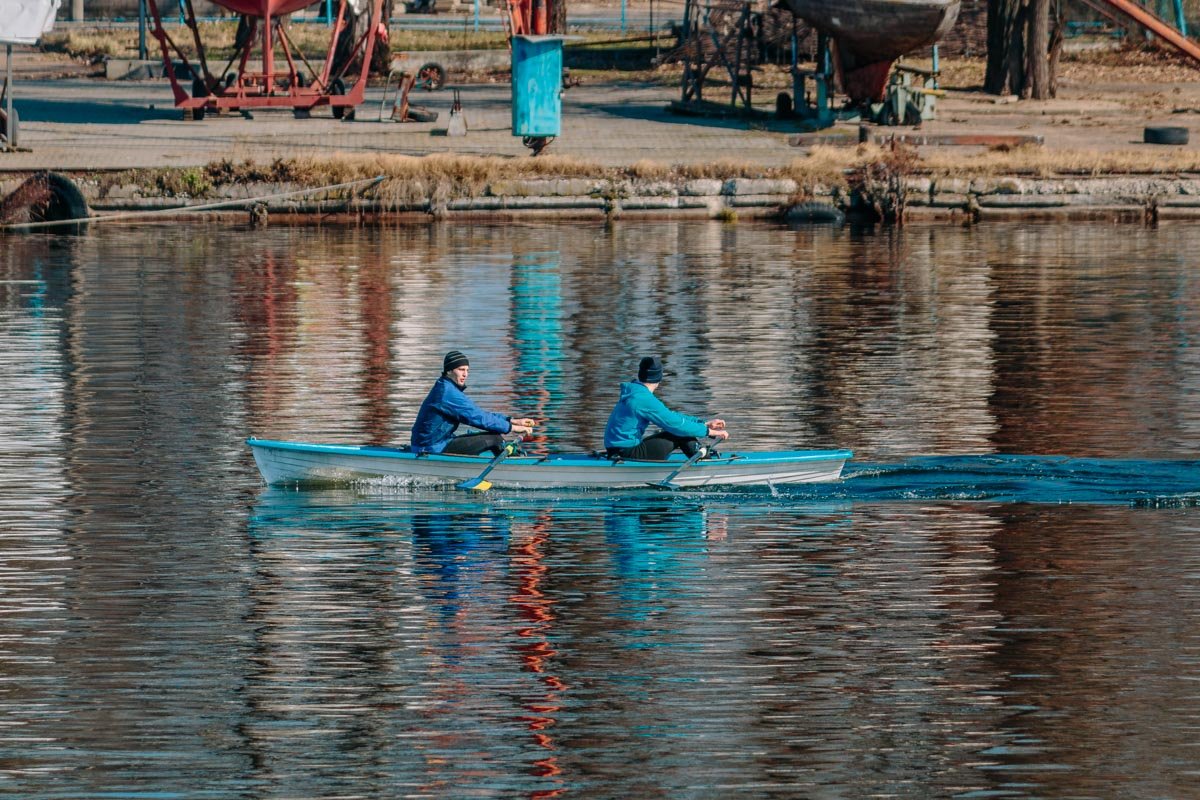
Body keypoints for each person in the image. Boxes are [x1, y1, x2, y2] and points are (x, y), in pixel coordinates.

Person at [411, 350, 536, 456]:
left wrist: (512, 420)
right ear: (449, 371)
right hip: (430, 448)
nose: (465, 374)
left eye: (467, 370)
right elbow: (477, 417)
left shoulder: (446, 387)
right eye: (461, 370)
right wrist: (512, 428)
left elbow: (479, 413)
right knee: (494, 438)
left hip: (438, 443)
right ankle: (512, 467)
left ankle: (510, 461)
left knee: (494, 436)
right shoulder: (447, 393)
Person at [603, 356, 728, 461]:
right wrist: (710, 432)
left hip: (616, 449)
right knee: (680, 432)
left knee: (678, 429)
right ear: (659, 378)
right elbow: (676, 425)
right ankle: (704, 461)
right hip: (627, 453)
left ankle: (700, 454)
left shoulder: (634, 392)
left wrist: (703, 423)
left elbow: (670, 416)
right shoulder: (643, 399)